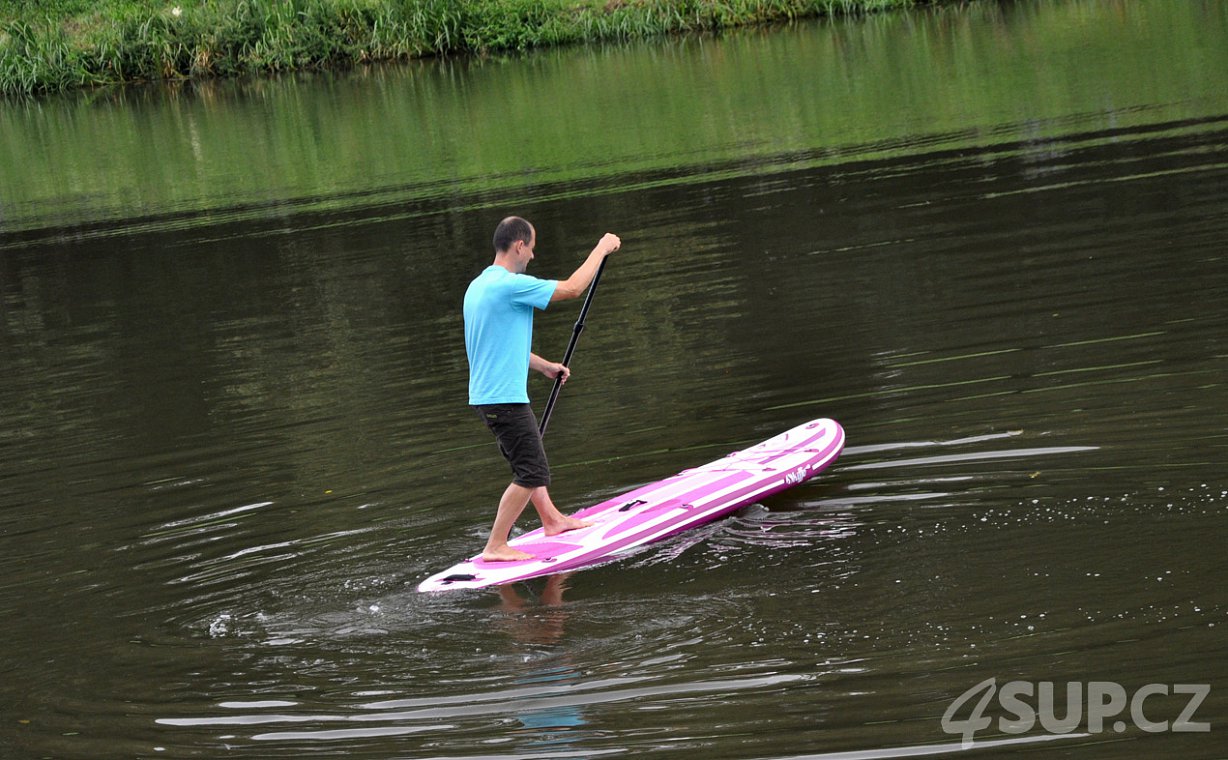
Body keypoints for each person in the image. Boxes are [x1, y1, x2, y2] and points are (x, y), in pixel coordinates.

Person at [464, 216, 621, 562]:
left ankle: (551, 520)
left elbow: (498, 344)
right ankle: (495, 545)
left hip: (489, 397)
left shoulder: (479, 286)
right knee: (531, 470)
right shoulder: (508, 285)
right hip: (503, 398)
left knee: (527, 461)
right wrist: (602, 248)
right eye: (532, 248)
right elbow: (573, 288)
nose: (532, 256)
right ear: (519, 245)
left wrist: (545, 366)